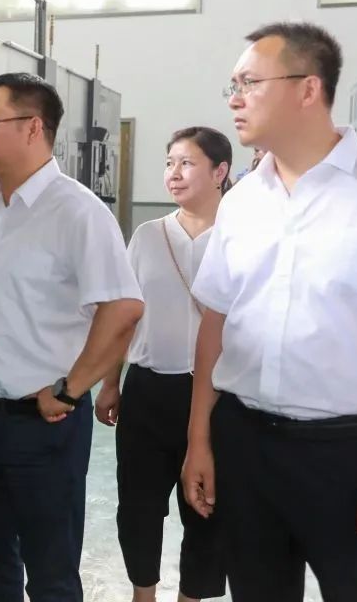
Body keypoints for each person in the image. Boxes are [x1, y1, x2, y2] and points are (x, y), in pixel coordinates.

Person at [0, 72, 145, 601]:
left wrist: (71, 389)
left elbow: (122, 307)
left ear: (33, 127)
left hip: (41, 425)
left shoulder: (77, 211)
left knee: (51, 572)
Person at [182, 21, 357, 602]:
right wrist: (200, 439)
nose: (235, 99)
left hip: (346, 451)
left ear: (308, 88)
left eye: (250, 83)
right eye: (232, 85)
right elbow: (215, 322)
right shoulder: (242, 201)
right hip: (247, 442)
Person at [96, 127, 232, 602]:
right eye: (169, 163)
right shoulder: (148, 236)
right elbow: (124, 316)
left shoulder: (240, 236)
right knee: (138, 504)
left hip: (219, 397)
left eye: (187, 163)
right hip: (149, 391)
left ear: (220, 171)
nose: (174, 173)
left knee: (209, 507)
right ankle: (144, 593)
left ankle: (191, 596)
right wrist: (110, 382)